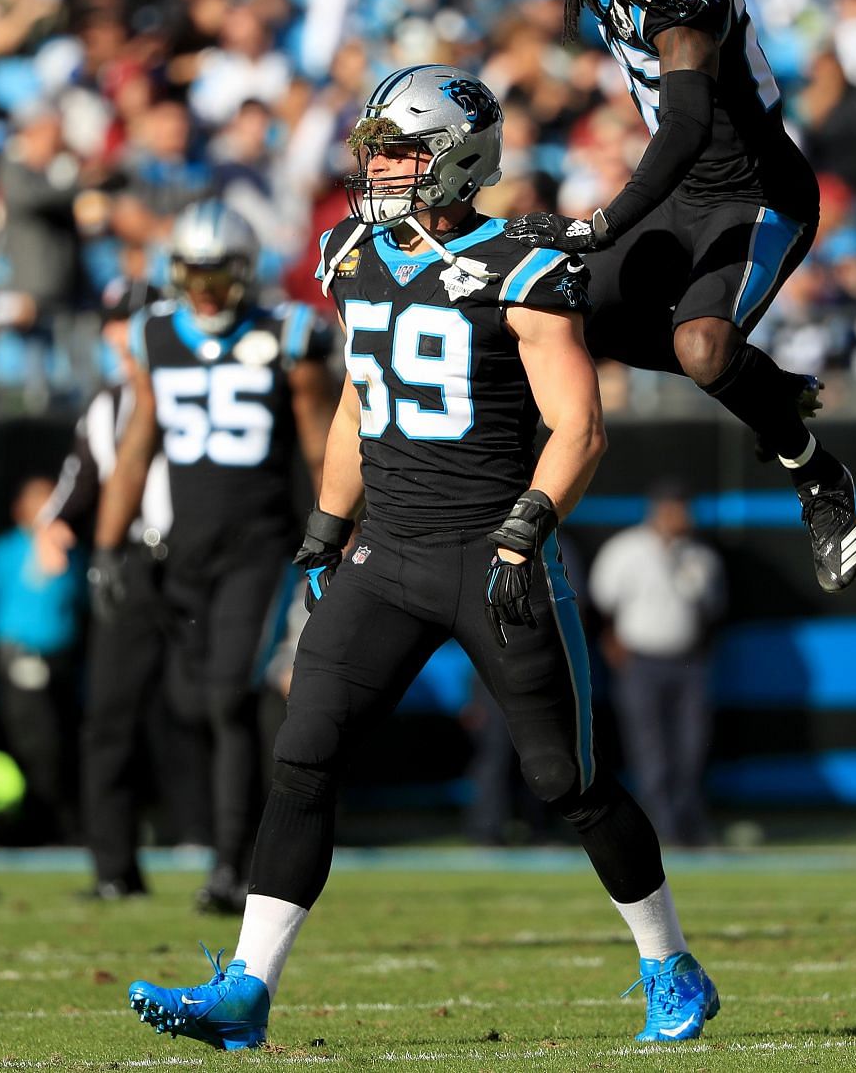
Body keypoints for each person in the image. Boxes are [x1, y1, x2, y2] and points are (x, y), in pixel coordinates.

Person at [125, 66, 719, 1049]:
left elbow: (580, 426)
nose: (380, 167)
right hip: (387, 556)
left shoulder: (523, 264)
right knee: (303, 754)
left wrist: (530, 524)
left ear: (456, 159)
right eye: (379, 149)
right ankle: (246, 987)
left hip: (494, 560)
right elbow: (363, 397)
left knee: (564, 778)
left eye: (400, 150)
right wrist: (326, 519)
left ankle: (670, 963)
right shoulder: (355, 252)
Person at [375, 0, 856, 594]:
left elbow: (687, 126)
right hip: (683, 189)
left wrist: (601, 222)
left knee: (701, 349)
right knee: (567, 310)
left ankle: (817, 476)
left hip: (756, 193)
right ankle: (767, 388)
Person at [90, 201, 335, 914]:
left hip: (260, 545)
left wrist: (339, 534)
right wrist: (108, 544)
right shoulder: (154, 334)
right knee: (190, 703)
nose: (203, 291)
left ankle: (232, 865)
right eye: (191, 274)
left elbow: (322, 446)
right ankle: (225, 847)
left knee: (230, 697)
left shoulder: (287, 333)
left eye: (215, 275)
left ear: (243, 273)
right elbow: (137, 446)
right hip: (184, 551)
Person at [40, 284, 207, 900]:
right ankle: (113, 866)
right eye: (114, 327)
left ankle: (227, 854)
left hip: (197, 558)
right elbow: (82, 476)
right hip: (132, 562)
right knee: (110, 714)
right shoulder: (106, 405)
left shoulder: (201, 392)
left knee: (210, 708)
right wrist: (55, 524)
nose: (120, 341)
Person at [590, 481, 726, 848]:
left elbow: (712, 611)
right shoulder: (625, 550)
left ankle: (688, 824)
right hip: (641, 661)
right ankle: (659, 826)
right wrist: (612, 641)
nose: (682, 517)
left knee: (691, 746)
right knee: (649, 748)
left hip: (688, 663)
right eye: (675, 509)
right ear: (658, 510)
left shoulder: (699, 556)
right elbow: (603, 602)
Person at [0, 476, 83, 843]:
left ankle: (65, 824)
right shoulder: (3, 552)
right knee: (35, 743)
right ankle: (39, 821)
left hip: (63, 662)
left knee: (65, 742)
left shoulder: (71, 550)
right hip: (18, 660)